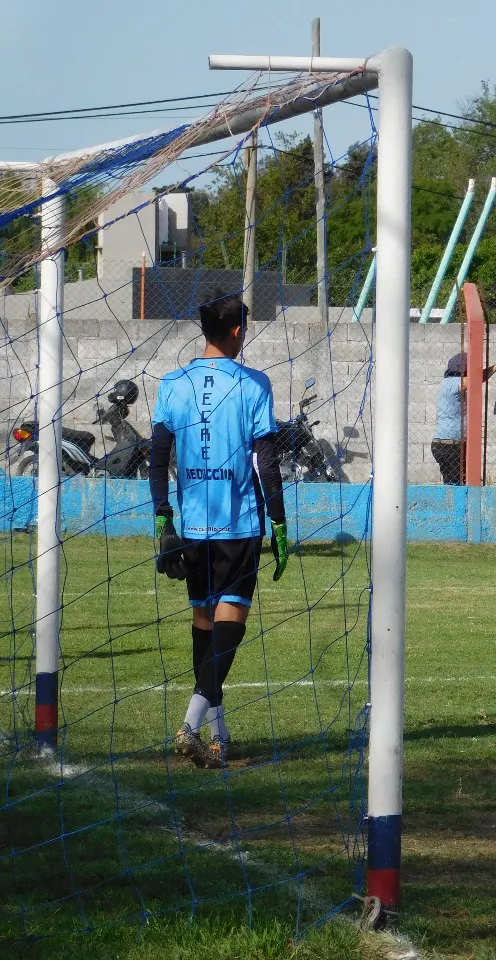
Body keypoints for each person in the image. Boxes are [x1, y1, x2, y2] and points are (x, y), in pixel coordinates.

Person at [151, 292, 287, 769]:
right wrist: (280, 521)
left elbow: (157, 456)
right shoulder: (254, 384)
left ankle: (219, 737)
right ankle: (190, 724)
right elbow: (266, 461)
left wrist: (163, 519)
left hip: (190, 527)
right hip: (238, 524)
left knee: (204, 626)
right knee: (227, 629)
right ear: (235, 332)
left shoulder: (173, 383)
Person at [432, 352, 496, 485]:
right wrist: (495, 367)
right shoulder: (452, 382)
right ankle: (455, 506)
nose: (475, 371)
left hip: (453, 444)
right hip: (449, 445)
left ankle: (457, 505)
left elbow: (474, 379)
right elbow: (474, 379)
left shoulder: (454, 383)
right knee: (455, 486)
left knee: (459, 483)